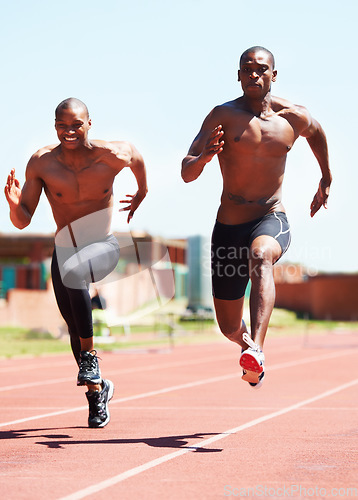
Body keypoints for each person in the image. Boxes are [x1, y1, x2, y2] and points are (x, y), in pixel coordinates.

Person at [182, 46, 331, 388]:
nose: (253, 74)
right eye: (246, 69)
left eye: (261, 69)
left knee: (261, 255)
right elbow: (186, 172)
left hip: (270, 216)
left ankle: (258, 351)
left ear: (273, 75)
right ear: (238, 76)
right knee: (229, 327)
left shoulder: (294, 117)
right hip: (228, 227)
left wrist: (326, 177)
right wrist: (204, 158)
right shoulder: (222, 115)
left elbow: (317, 132)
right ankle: (247, 346)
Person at [5, 97, 148, 425]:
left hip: (103, 246)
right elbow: (23, 220)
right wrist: (14, 205)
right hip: (65, 250)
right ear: (55, 126)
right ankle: (97, 391)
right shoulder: (42, 163)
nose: (69, 131)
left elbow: (137, 157)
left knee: (75, 273)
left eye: (76, 124)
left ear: (89, 123)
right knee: (74, 324)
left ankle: (89, 358)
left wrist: (142, 191)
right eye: (62, 125)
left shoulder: (110, 155)